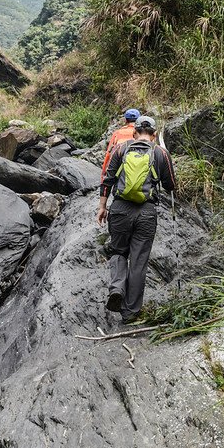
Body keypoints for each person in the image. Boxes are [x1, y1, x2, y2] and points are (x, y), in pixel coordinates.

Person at [97, 116, 176, 324]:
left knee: (118, 251)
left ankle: (116, 288)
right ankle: (130, 312)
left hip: (120, 209)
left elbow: (107, 179)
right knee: (138, 261)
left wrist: (102, 207)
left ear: (134, 132)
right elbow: (170, 185)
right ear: (154, 134)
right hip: (146, 213)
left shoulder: (121, 149)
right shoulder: (160, 152)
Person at [101, 108, 141, 181]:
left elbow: (109, 154)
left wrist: (103, 175)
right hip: (139, 172)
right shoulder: (141, 134)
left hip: (120, 172)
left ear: (125, 120)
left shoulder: (117, 133)